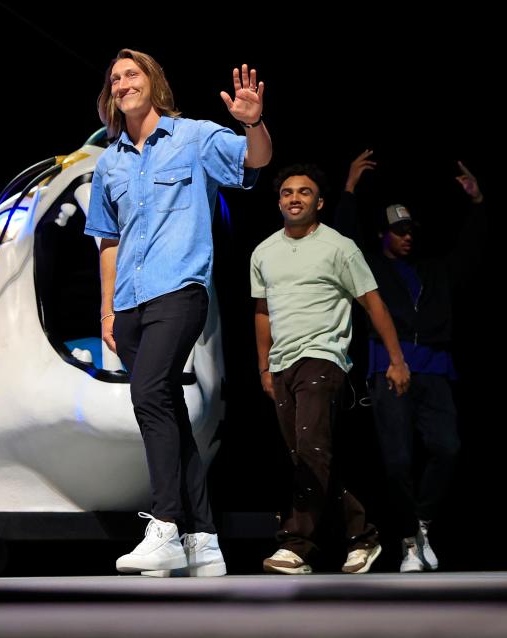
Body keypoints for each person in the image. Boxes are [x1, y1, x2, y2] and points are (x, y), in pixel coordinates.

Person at [84, 49, 272, 576]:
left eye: (132, 74)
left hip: (180, 289)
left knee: (147, 396)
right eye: (115, 78)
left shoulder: (191, 137)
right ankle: (204, 539)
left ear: (154, 83)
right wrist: (106, 314)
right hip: (128, 305)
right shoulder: (110, 162)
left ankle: (165, 525)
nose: (123, 83)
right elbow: (107, 242)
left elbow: (253, 162)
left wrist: (253, 122)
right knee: (166, 409)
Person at [251, 164, 409, 574]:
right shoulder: (264, 251)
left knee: (311, 452)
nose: (294, 199)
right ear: (279, 201)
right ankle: (362, 537)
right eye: (287, 192)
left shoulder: (339, 247)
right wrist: (264, 367)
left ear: (319, 202)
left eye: (304, 192)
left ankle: (297, 544)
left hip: (324, 358)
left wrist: (396, 360)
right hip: (282, 363)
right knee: (310, 457)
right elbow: (262, 311)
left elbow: (373, 302)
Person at [334, 150, 485, 572]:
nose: (407, 237)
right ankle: (409, 542)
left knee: (448, 449)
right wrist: (348, 188)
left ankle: (419, 522)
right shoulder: (372, 269)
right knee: (397, 460)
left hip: (435, 371)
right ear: (383, 235)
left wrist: (476, 203)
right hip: (388, 370)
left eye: (410, 230)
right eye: (398, 231)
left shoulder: (435, 270)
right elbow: (344, 239)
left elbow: (472, 251)